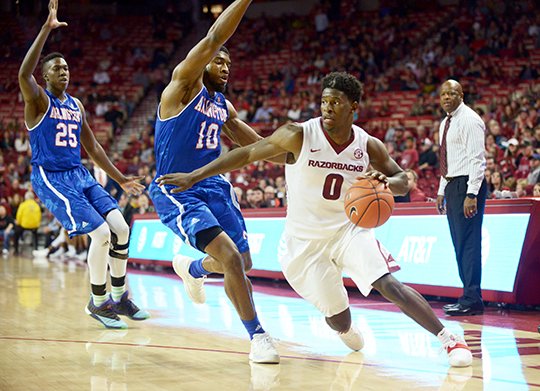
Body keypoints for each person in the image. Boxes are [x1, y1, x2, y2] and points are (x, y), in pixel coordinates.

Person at [157, 72, 473, 368]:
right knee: (340, 321)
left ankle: (448, 339)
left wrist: (389, 183)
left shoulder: (367, 145)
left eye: (335, 102)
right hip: (304, 246)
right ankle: (344, 328)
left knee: (387, 283)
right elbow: (247, 153)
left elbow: (404, 179)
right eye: (324, 101)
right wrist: (195, 175)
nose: (327, 108)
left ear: (354, 107)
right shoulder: (298, 134)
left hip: (350, 230)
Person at [148, 0, 279, 364]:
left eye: (229, 64)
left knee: (244, 261)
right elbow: (213, 36)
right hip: (178, 188)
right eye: (218, 61)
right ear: (202, 63)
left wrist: (289, 156)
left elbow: (247, 138)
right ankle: (258, 337)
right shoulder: (181, 89)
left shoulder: (223, 105)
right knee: (231, 259)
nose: (224, 67)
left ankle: (193, 269)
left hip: (215, 186)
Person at [18, 0, 149, 329]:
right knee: (102, 233)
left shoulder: (76, 105)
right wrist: (46, 29)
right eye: (57, 69)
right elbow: (23, 73)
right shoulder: (37, 101)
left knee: (121, 227)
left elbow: (93, 147)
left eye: (66, 68)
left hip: (79, 174)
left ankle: (119, 296)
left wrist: (119, 178)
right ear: (45, 76)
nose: (64, 72)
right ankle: (98, 300)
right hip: (51, 177)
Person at [436, 80, 487, 316]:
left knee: (468, 243)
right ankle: (468, 295)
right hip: (452, 184)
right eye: (444, 94)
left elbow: (477, 159)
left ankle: (472, 298)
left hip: (467, 184)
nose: (447, 97)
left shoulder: (469, 119)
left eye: (452, 93)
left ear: (461, 95)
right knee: (460, 242)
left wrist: (471, 193)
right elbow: (447, 159)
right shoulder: (445, 123)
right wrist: (440, 190)